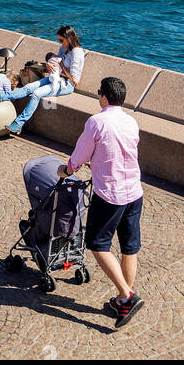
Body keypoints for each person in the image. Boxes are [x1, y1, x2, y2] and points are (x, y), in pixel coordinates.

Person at [58, 75, 144, 328]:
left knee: (98, 244)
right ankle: (122, 300)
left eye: (99, 93)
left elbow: (79, 157)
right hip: (134, 192)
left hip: (110, 195)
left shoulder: (96, 122)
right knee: (129, 247)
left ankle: (128, 295)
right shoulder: (131, 121)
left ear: (104, 97)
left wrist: (66, 170)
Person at [4, 26, 85, 136]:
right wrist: (49, 64)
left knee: (36, 94)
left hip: (67, 84)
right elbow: (55, 62)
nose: (60, 43)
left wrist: (61, 66)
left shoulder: (77, 53)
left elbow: (75, 80)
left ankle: (19, 123)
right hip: (56, 78)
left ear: (69, 38)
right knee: (29, 87)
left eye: (61, 40)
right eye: (59, 40)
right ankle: (2, 96)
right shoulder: (63, 48)